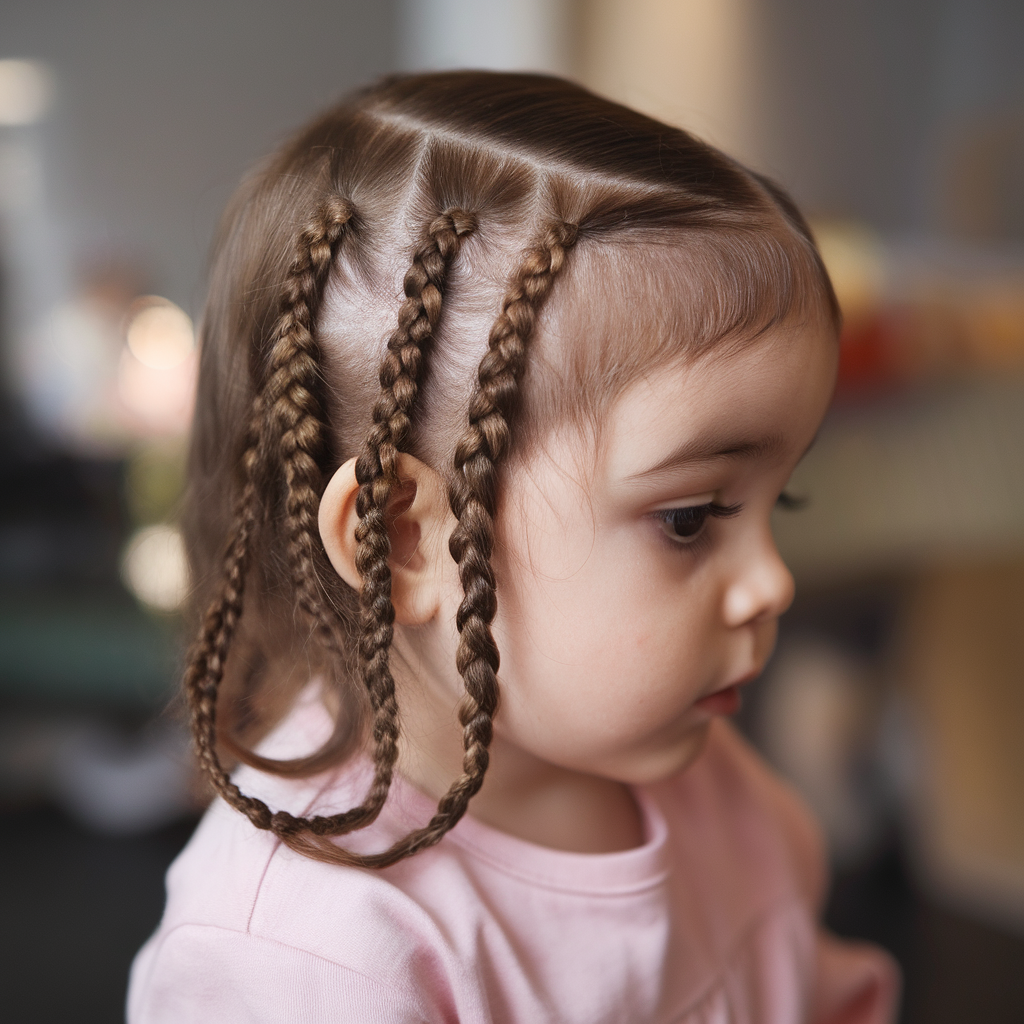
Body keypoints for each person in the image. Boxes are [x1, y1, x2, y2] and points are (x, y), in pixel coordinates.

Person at [127, 71, 898, 1023]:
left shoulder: (718, 790)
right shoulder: (303, 956)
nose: (772, 583)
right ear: (402, 540)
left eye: (784, 497)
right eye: (691, 518)